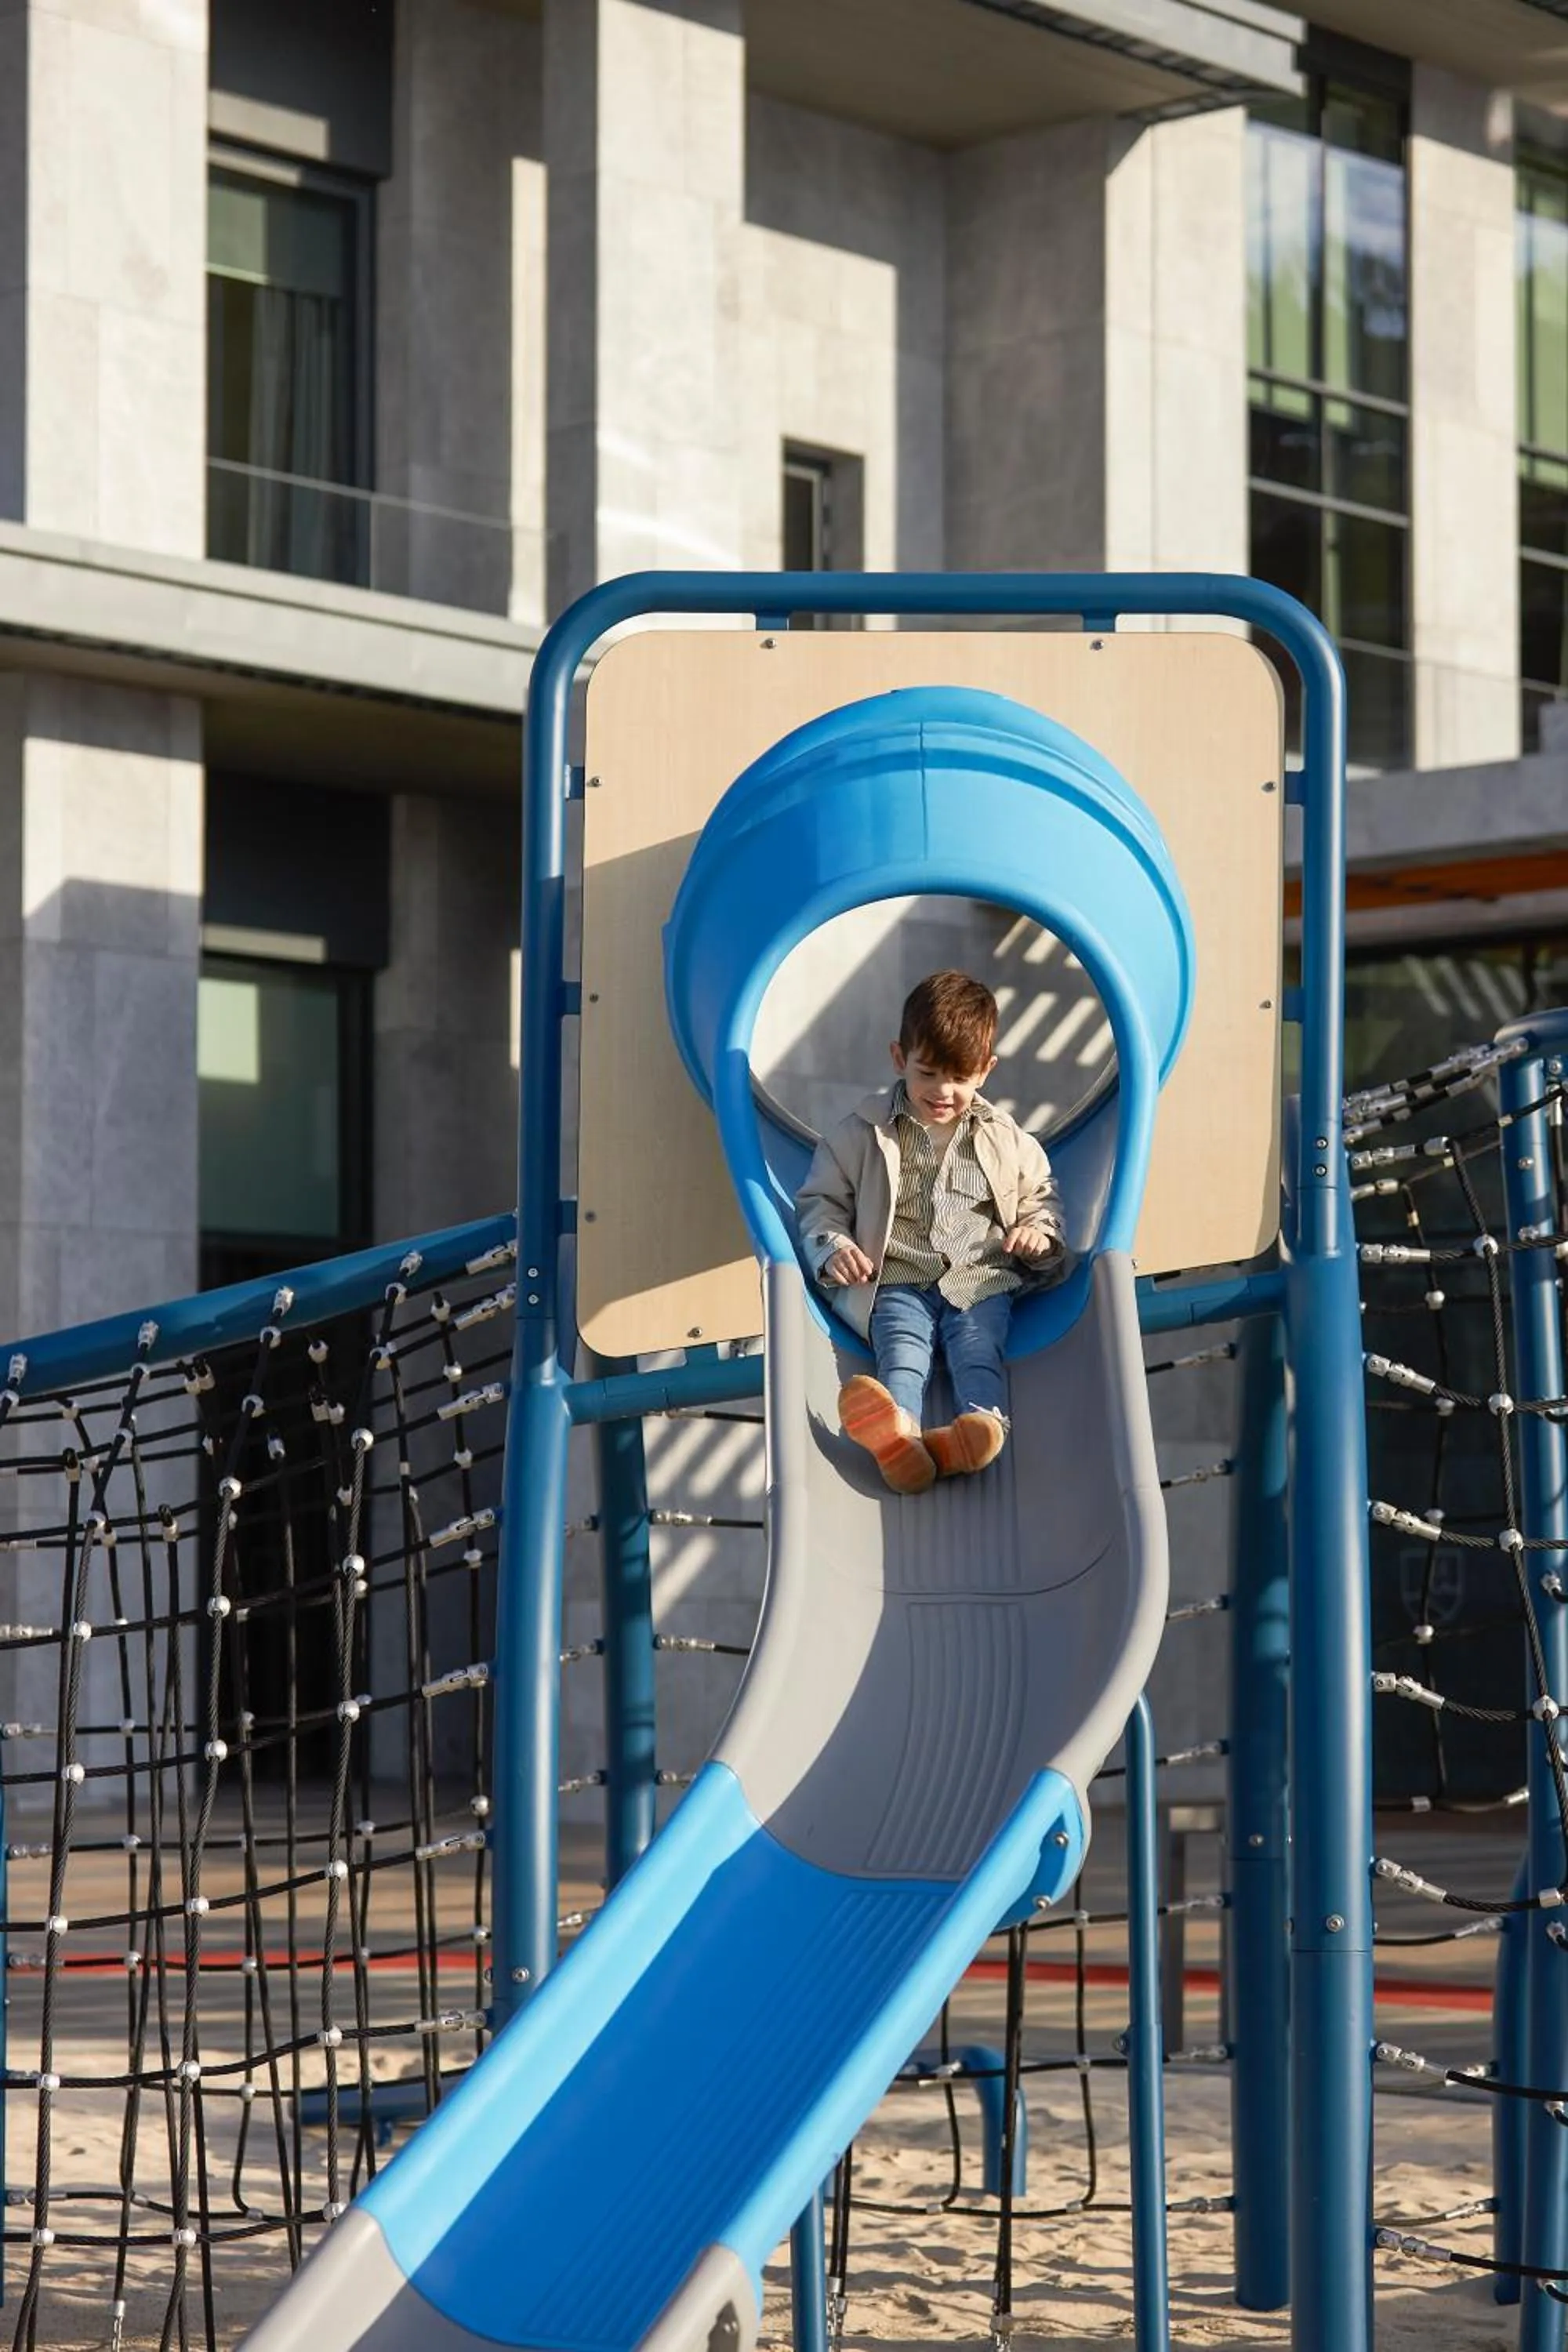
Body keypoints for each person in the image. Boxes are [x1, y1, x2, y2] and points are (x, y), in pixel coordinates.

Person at [794, 969, 1069, 1494]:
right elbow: (821, 1201)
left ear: (985, 1072)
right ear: (899, 1059)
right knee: (901, 1349)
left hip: (978, 1278)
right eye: (928, 1074)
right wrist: (835, 1246)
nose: (943, 1092)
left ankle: (983, 1426)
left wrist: (1038, 1232)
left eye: (959, 1079)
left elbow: (1041, 1195)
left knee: (977, 1345)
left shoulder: (1006, 1138)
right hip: (898, 1277)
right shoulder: (862, 1132)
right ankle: (900, 1436)